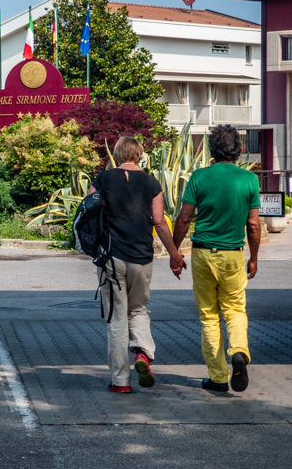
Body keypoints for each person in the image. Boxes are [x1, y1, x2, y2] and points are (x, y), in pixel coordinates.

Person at [88, 136, 183, 394]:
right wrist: (175, 254)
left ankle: (120, 382)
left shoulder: (104, 179)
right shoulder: (151, 182)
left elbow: (89, 210)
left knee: (117, 317)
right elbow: (160, 221)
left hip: (111, 257)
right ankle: (142, 354)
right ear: (139, 154)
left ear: (117, 154)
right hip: (142, 257)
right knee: (138, 310)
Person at [172, 124, 260, 394]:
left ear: (211, 149)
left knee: (209, 316)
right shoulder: (249, 180)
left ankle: (219, 377)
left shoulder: (199, 177)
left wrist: (175, 252)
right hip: (233, 254)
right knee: (234, 309)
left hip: (202, 254)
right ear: (239, 150)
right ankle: (238, 352)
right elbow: (254, 225)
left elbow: (184, 218)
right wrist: (254, 258)